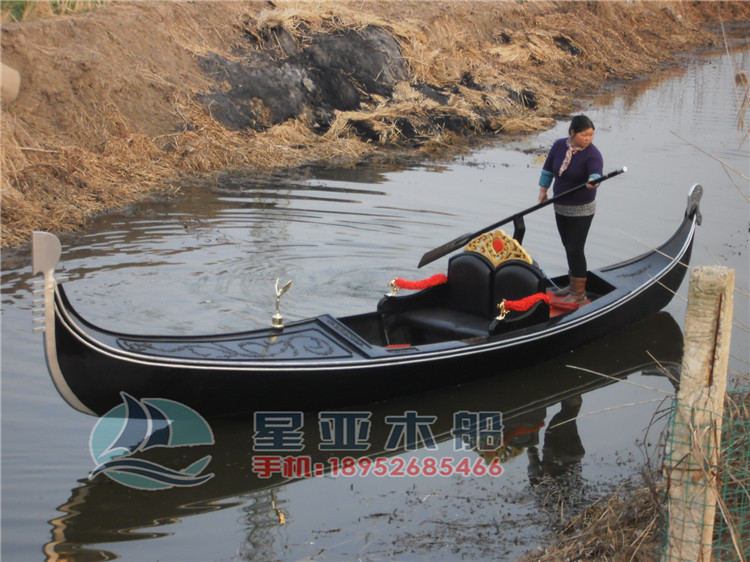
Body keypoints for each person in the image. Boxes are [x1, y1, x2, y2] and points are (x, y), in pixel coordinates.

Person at [538, 115, 603, 305]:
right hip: (560, 206)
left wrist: (593, 181)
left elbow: (595, 172)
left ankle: (578, 293)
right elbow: (548, 169)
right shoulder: (559, 146)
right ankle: (572, 283)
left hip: (581, 209)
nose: (588, 139)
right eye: (584, 135)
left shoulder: (593, 154)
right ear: (572, 132)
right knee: (567, 245)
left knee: (576, 248)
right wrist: (543, 190)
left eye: (591, 135)